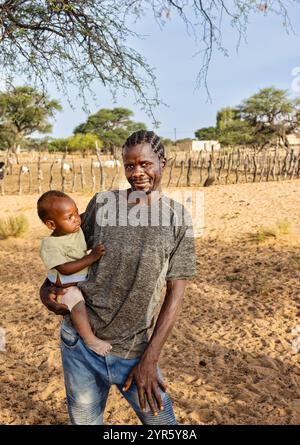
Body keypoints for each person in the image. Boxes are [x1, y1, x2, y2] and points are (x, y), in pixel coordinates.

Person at [40, 129, 196, 425]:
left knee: (163, 425)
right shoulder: (102, 204)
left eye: (145, 164)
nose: (137, 173)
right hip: (80, 344)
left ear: (163, 162)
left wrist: (150, 359)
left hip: (134, 350)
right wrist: (45, 291)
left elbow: (176, 293)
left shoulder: (177, 218)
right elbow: (65, 254)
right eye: (129, 165)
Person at [38, 191, 112, 356]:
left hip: (81, 281)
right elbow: (64, 269)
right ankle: (90, 339)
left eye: (76, 212)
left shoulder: (75, 230)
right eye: (69, 217)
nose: (77, 219)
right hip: (66, 288)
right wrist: (91, 257)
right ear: (51, 224)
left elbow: (86, 215)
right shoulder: (50, 244)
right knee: (77, 305)